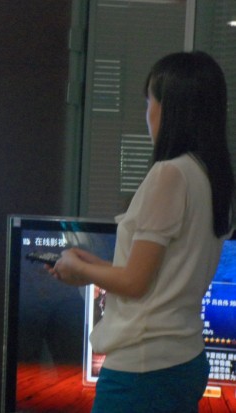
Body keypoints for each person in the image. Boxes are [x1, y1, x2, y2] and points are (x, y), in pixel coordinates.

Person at [47, 51, 235, 412]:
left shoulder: (170, 175)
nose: (147, 113)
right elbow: (163, 276)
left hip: (144, 369)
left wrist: (78, 268)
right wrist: (92, 266)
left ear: (170, 108)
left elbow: (136, 283)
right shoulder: (213, 178)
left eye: (149, 101)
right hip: (185, 359)